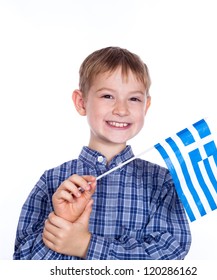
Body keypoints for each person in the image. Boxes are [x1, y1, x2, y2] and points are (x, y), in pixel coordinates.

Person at [13, 46, 191, 260]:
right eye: (108, 96)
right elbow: (22, 263)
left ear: (146, 106)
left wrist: (86, 246)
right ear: (81, 102)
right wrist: (63, 222)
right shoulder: (52, 181)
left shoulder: (162, 183)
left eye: (134, 99)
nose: (122, 109)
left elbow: (170, 257)